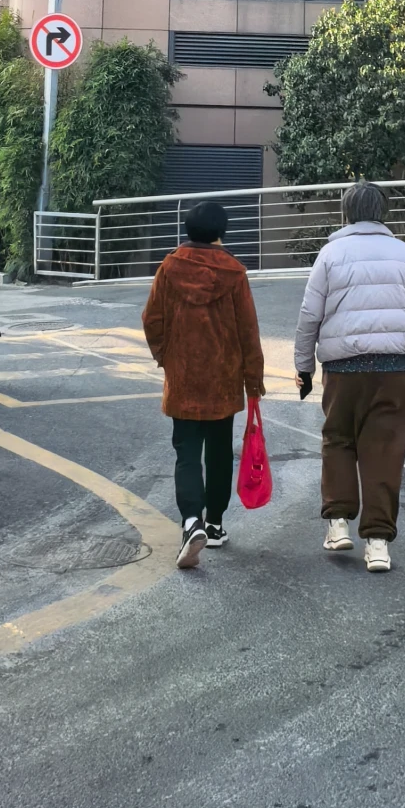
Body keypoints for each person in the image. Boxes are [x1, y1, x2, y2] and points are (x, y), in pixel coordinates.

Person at [293, 181, 405, 574]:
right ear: (383, 212)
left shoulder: (331, 254)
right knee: (385, 449)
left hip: (342, 369)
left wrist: (304, 367)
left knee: (338, 438)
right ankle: (378, 544)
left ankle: (338, 523)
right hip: (393, 369)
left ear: (347, 212)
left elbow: (310, 316)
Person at [142, 197, 266, 570]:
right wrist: (253, 379)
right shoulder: (234, 273)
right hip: (223, 378)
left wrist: (167, 356)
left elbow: (152, 319)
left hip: (183, 378)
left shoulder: (169, 267)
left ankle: (190, 521)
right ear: (221, 232)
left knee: (186, 453)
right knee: (219, 452)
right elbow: (248, 330)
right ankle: (214, 524)